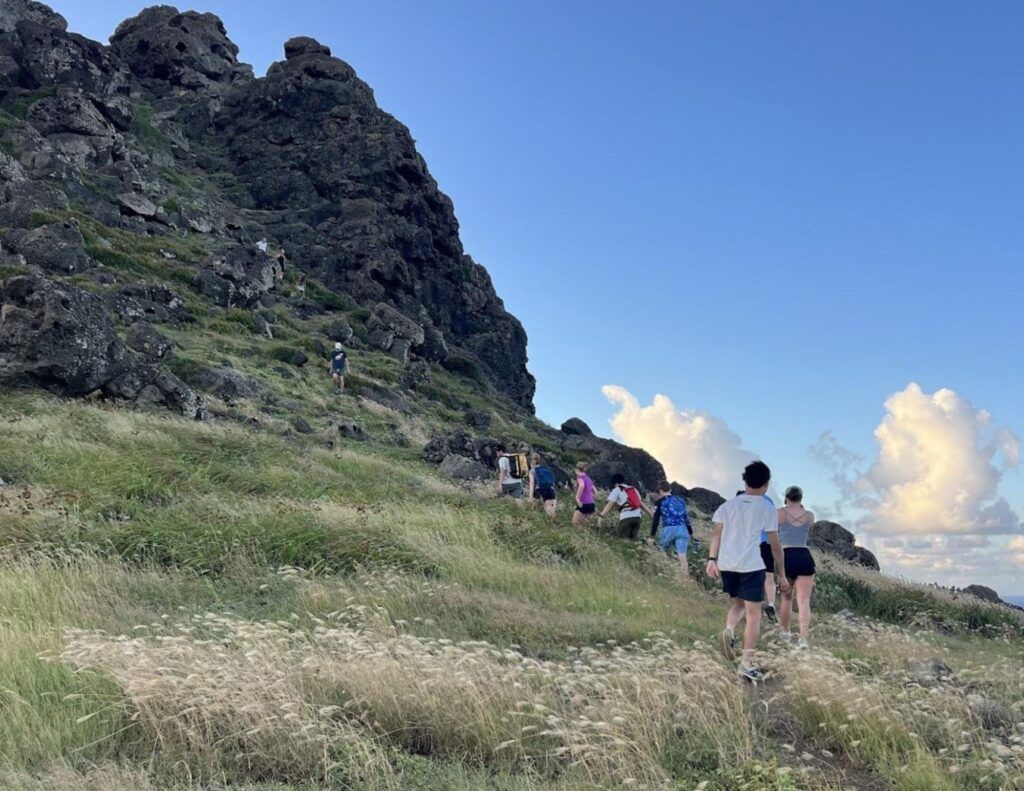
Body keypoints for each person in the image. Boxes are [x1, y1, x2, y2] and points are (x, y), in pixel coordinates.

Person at [706, 461, 789, 682]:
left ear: (744, 481)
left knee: (737, 604)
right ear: (766, 484)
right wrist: (781, 574)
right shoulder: (766, 507)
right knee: (754, 614)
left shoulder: (727, 506)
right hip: (752, 565)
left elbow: (716, 535)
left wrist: (711, 559)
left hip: (726, 564)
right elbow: (774, 545)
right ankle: (746, 664)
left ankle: (729, 630)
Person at [777, 486, 816, 648]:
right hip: (804, 555)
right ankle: (803, 639)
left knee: (786, 598)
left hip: (786, 555)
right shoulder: (809, 515)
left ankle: (784, 633)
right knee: (804, 600)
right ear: (801, 498)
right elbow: (809, 530)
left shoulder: (780, 513)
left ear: (786, 497)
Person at [649, 481, 694, 573]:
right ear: (670, 489)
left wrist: (652, 536)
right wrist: (691, 534)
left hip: (668, 529)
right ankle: (685, 579)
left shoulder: (660, 502)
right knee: (682, 557)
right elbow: (686, 519)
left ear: (660, 490)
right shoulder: (680, 501)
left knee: (659, 551)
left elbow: (656, 520)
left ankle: (662, 572)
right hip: (682, 529)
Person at [597, 473, 654, 539]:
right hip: (637, 518)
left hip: (626, 518)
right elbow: (641, 503)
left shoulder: (617, 490)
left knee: (623, 540)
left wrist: (602, 514)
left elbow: (610, 504)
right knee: (632, 540)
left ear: (615, 483)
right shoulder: (634, 489)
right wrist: (651, 514)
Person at [528, 454, 558, 519]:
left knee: (534, 509)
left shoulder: (532, 471)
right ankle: (553, 523)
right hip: (549, 490)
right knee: (549, 508)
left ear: (531, 461)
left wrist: (530, 496)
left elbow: (532, 483)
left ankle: (536, 523)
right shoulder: (545, 469)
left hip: (539, 490)